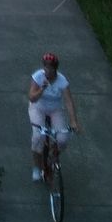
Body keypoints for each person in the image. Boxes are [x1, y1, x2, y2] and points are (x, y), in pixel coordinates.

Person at [28, 52, 81, 181]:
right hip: (38, 108)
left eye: (50, 67)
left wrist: (74, 121)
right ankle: (36, 167)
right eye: (45, 67)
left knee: (62, 139)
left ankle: (52, 157)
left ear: (55, 69)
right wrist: (42, 89)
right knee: (37, 138)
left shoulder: (62, 81)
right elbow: (32, 98)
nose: (47, 70)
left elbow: (68, 101)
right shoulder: (38, 77)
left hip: (55, 109)